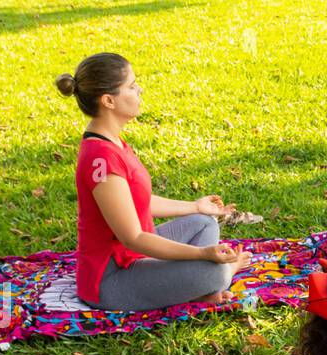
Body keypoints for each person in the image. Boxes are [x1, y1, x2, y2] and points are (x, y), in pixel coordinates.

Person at [55, 53, 252, 311]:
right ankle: (213, 282)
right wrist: (203, 255)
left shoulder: (111, 141)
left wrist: (195, 207)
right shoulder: (100, 159)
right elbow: (133, 238)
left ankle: (197, 285)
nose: (139, 90)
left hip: (138, 255)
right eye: (132, 85)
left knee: (204, 222)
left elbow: (139, 202)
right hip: (112, 279)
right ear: (108, 100)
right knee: (215, 272)